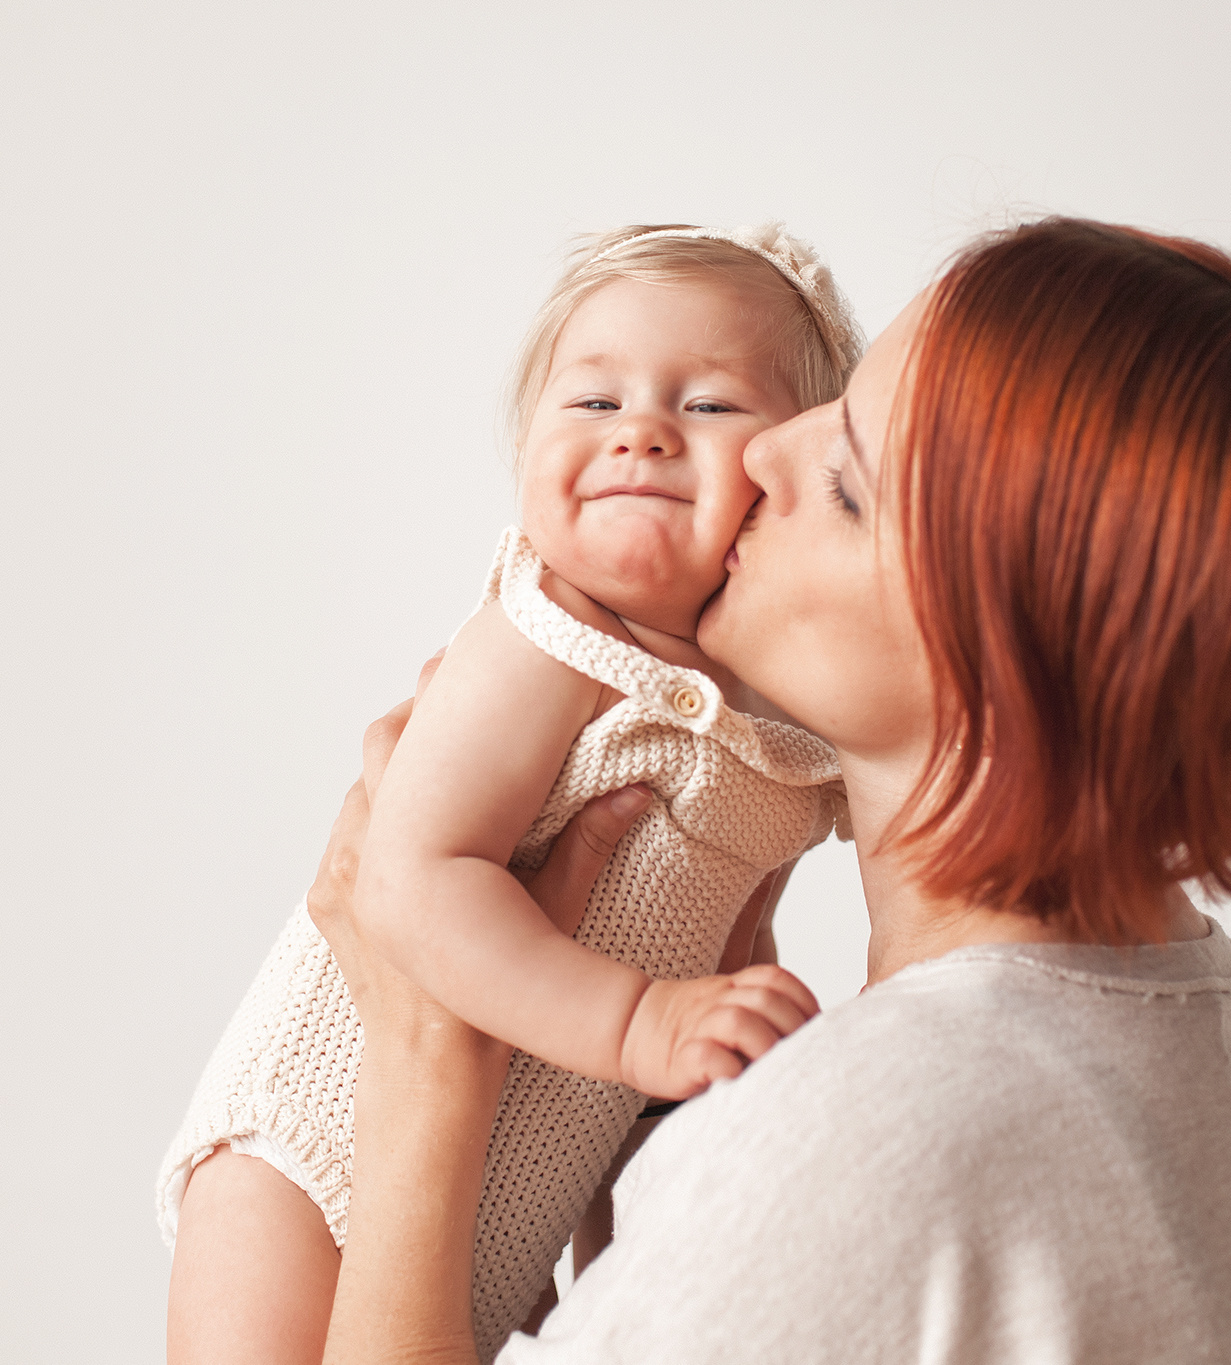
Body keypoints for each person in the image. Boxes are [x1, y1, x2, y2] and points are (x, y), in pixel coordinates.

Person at [311, 216, 1231, 1362]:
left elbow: (842, 1208)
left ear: (1006, 665)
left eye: (845, 485)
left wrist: (426, 1057)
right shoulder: (1192, 1025)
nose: (760, 455)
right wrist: (669, 1114)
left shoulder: (877, 1133)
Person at [160, 224, 868, 1359]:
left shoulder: (777, 723)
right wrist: (641, 1023)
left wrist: (698, 1070)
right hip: (311, 1139)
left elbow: (723, 947)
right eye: (593, 402)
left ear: (792, 469)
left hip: (512, 1183)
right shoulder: (545, 636)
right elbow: (409, 878)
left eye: (706, 405)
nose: (640, 430)